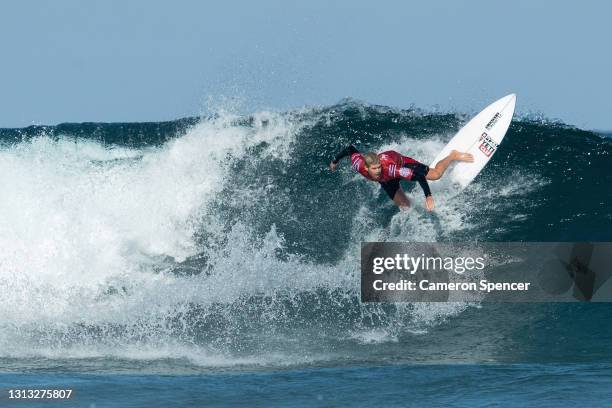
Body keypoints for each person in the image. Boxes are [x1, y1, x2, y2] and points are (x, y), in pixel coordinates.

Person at [329, 145, 474, 211]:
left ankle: (453, 155)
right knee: (405, 207)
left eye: (379, 167)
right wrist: (335, 161)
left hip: (400, 162)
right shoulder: (359, 165)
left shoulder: (390, 169)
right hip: (387, 181)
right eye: (374, 169)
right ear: (366, 168)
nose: (378, 171)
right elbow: (350, 149)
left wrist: (428, 196)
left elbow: (418, 176)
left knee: (436, 175)